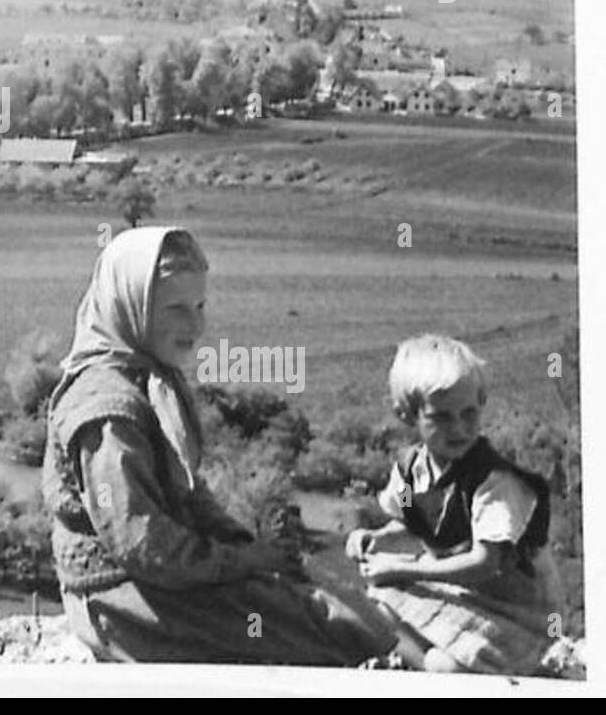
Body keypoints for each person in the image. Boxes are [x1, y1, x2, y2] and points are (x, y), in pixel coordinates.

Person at [43, 224, 394, 665]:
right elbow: (142, 545)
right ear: (128, 305)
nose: (196, 324)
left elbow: (188, 494)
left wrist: (253, 550)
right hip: (123, 599)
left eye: (200, 305)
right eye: (175, 309)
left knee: (317, 595)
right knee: (329, 625)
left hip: (166, 580)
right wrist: (242, 562)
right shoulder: (107, 412)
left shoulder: (148, 379)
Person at [346, 334, 564, 674]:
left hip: (516, 612)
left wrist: (403, 568)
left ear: (481, 403)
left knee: (443, 666)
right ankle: (420, 656)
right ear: (408, 415)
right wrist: (375, 539)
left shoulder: (493, 483)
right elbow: (408, 520)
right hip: (460, 593)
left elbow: (484, 563)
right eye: (442, 417)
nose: (459, 428)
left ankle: (428, 661)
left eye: (469, 413)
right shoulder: (409, 475)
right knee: (374, 607)